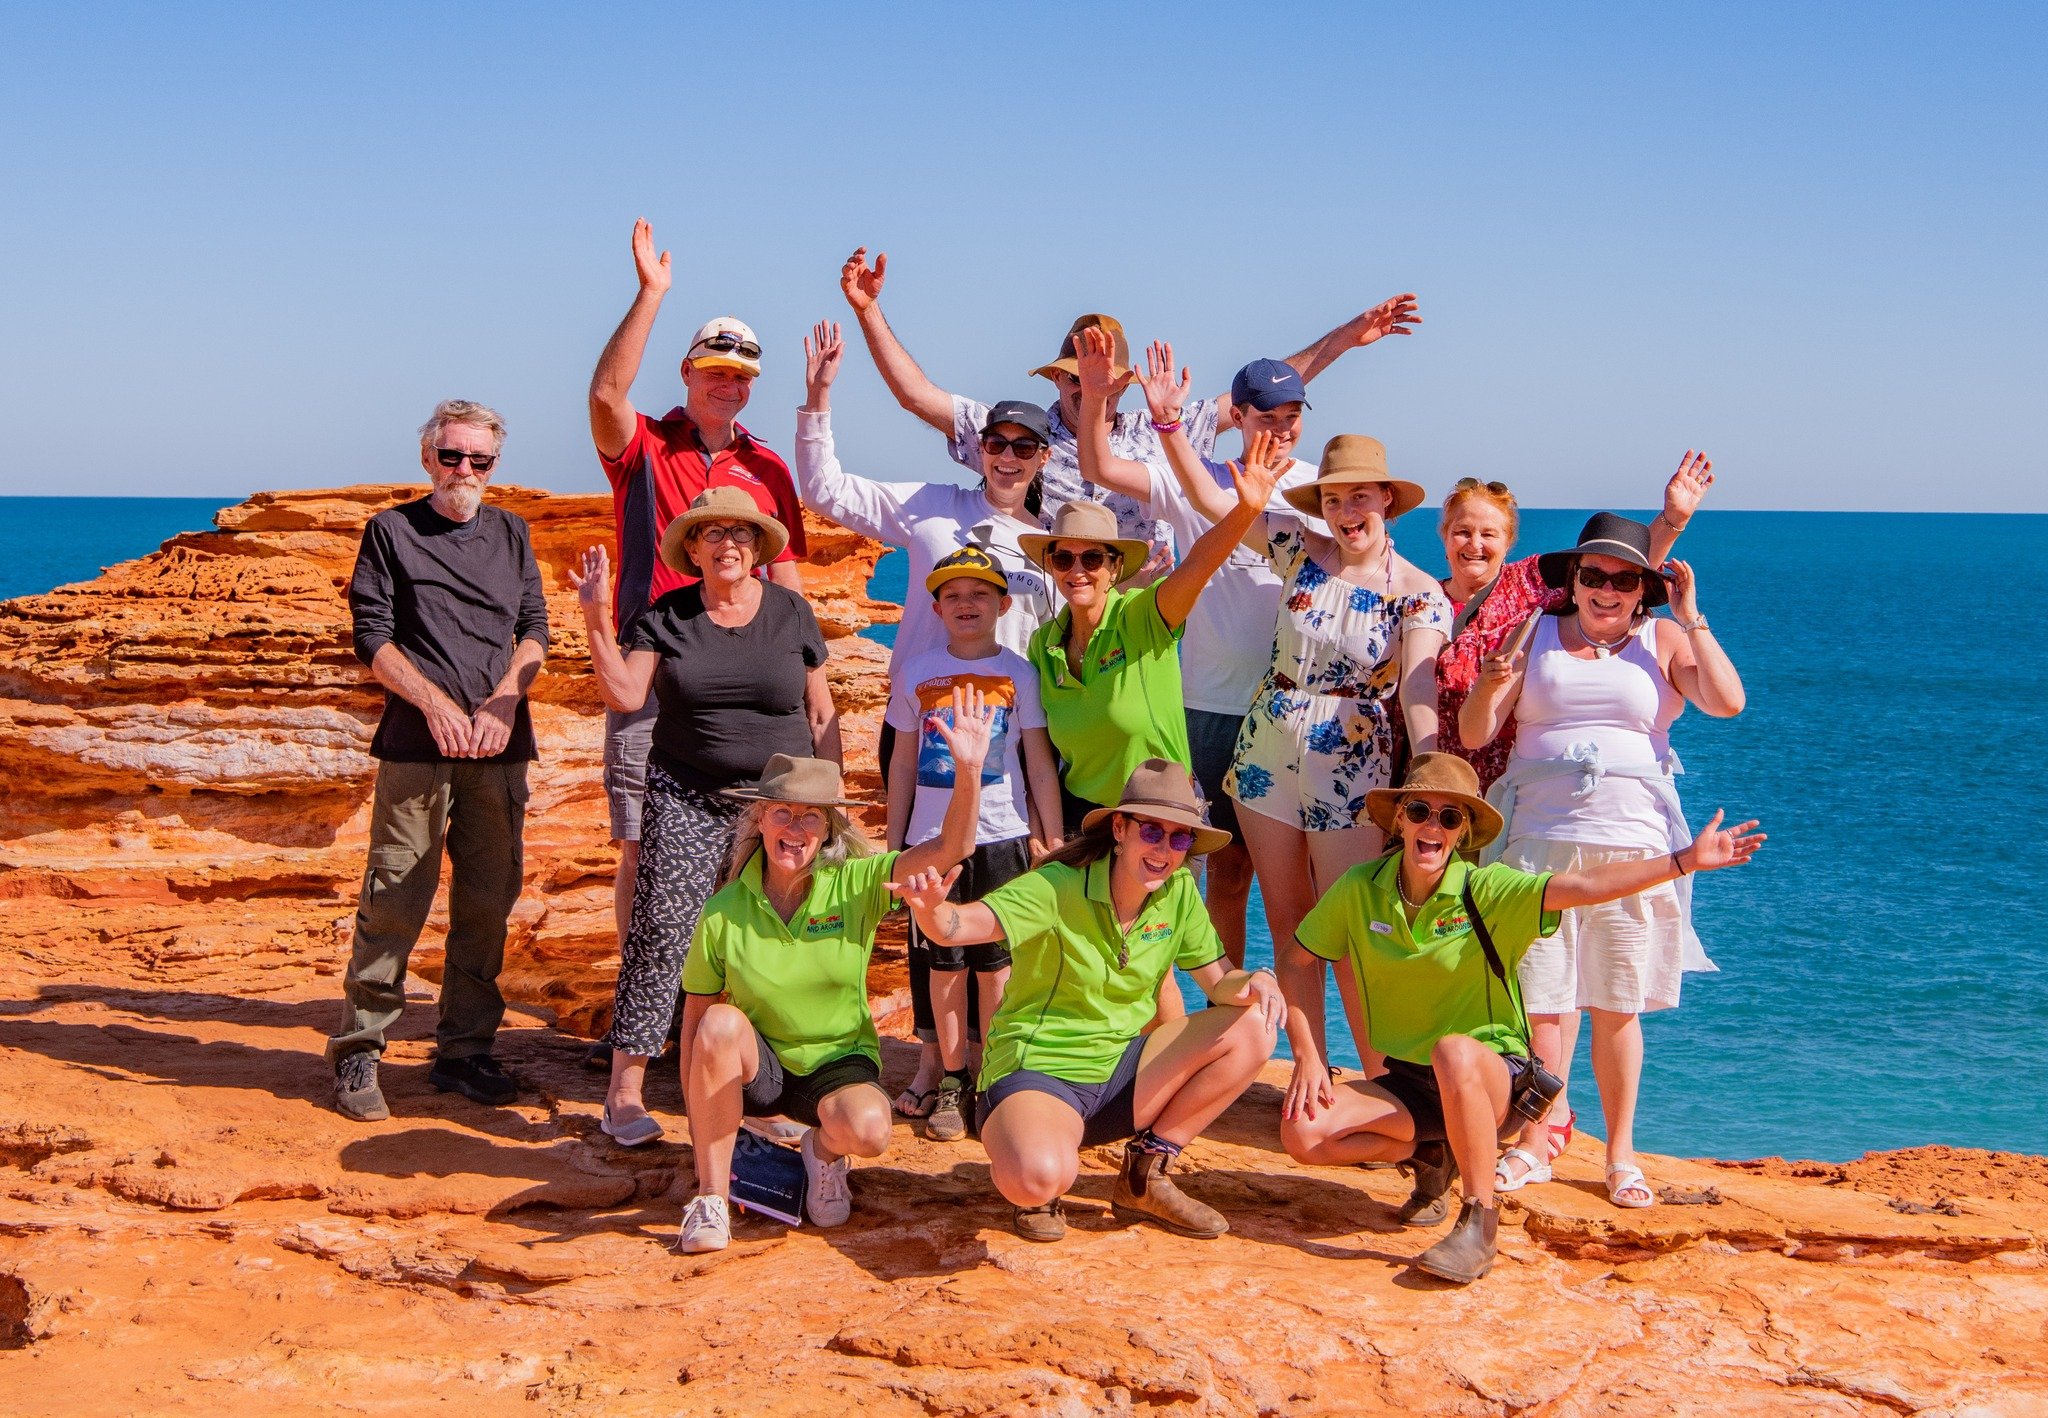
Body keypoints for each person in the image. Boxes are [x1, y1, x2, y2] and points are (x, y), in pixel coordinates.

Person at [1277, 753, 1763, 1283]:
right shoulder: (1360, 886)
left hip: (1496, 1081)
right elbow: (1299, 961)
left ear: (1463, 834)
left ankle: (1479, 1222)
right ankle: (1435, 1152)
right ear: (1399, 819)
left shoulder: (1488, 890)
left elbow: (1585, 886)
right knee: (1305, 1134)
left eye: (1450, 817)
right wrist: (1308, 1054)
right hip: (1410, 1081)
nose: (1432, 826)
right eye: (1420, 810)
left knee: (1455, 1049)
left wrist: (1683, 861)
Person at [1459, 513, 1747, 1208]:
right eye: (1594, 576)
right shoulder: (1535, 634)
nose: (1607, 589)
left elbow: (1728, 702)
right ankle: (1535, 1142)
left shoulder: (1663, 637)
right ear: (1575, 581)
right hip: (1539, 842)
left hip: (1634, 845)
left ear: (1642, 588)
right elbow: (1475, 732)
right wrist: (1489, 684)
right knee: (1544, 1004)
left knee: (1617, 1006)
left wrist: (1693, 617)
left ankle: (1621, 1155)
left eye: (1623, 578)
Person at [892, 760, 1286, 1243]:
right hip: (1038, 1072)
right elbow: (963, 926)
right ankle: (1040, 1164)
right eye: (1152, 831)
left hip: (1119, 1075)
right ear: (1120, 827)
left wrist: (1259, 980)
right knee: (1038, 1176)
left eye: (1180, 838)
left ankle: (1146, 1174)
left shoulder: (1178, 892)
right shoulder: (1057, 886)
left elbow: (1220, 982)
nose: (1164, 849)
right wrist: (932, 909)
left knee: (1255, 1025)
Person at [586, 219, 808, 1065]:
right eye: (713, 370)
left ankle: (716, 1020)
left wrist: (811, 687)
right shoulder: (647, 446)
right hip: (658, 669)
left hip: (747, 684)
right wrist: (651, 294)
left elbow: (788, 584)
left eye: (740, 374)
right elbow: (606, 400)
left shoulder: (767, 469)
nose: (727, 384)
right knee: (646, 850)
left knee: (748, 856)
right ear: (687, 372)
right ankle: (644, 1015)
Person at [1164, 420, 1451, 1065]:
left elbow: (1418, 688)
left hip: (1352, 768)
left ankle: (1385, 1080)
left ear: (1386, 501)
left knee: (1346, 929)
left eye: (1359, 498)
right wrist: (1169, 425)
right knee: (1290, 926)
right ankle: (1310, 1074)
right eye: (1332, 499)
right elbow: (1213, 505)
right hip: (1268, 750)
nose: (1345, 513)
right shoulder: (1298, 547)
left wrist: (1429, 769)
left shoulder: (1419, 594)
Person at [569, 490, 841, 1146]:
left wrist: (826, 803)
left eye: (741, 533)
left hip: (779, 805)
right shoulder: (670, 615)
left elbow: (823, 713)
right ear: (691, 549)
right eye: (712, 532)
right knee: (662, 931)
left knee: (773, 938)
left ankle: (760, 1088)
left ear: (758, 547)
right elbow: (626, 692)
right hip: (687, 793)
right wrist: (595, 619)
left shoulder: (791, 612)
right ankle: (625, 1090)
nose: (728, 543)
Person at [836, 245, 1420, 549]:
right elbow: (917, 396)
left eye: (1101, 378)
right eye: (1072, 376)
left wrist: (1344, 338)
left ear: (1124, 381)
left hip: (1145, 617)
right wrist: (870, 311)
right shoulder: (1020, 438)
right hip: (1053, 609)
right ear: (1055, 379)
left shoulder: (1163, 428)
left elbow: (1265, 394)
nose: (1085, 387)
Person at [675, 698, 992, 1253]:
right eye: (783, 812)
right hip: (762, 1066)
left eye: (811, 817)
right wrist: (699, 1119)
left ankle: (821, 1154)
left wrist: (967, 770)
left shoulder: (856, 884)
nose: (795, 828)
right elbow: (696, 1031)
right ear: (760, 818)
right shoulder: (723, 909)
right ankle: (712, 1199)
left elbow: (953, 847)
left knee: (870, 1131)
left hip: (836, 1063)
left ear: (827, 832)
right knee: (721, 1024)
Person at [329, 400, 548, 1121]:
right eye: (451, 457)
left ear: (494, 465)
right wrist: (434, 704)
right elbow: (373, 637)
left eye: (478, 460)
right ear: (428, 458)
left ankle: (465, 1053)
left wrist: (505, 703)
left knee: (487, 903)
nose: (464, 471)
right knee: (394, 897)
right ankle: (360, 1050)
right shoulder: (391, 531)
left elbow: (534, 630)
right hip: (419, 748)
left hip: (497, 747)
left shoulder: (513, 533)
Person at [884, 548, 1064, 1139]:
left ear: (1003, 605)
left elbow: (1037, 760)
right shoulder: (915, 673)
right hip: (932, 843)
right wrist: (895, 839)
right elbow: (903, 762)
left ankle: (993, 1075)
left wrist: (1049, 832)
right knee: (942, 962)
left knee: (997, 964)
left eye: (980, 594)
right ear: (936, 608)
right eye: (954, 595)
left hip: (1003, 834)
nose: (967, 604)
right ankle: (953, 1076)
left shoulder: (1020, 672)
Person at [1434, 453, 1714, 791]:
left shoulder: (1528, 583)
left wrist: (1673, 519)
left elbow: (1613, 575)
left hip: (1513, 788)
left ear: (1508, 541)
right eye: (1462, 532)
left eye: (1488, 534)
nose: (1475, 544)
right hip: (1433, 785)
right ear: (1445, 536)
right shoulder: (1423, 601)